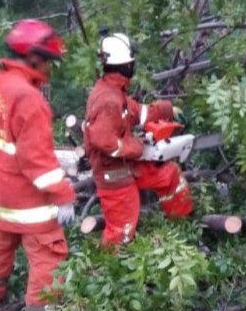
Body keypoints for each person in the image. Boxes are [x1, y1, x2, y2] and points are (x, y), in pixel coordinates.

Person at [0, 19, 76, 311]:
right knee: (49, 253)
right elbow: (36, 160)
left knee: (0, 239)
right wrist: (62, 194)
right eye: (49, 62)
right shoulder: (28, 98)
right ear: (35, 57)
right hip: (24, 200)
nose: (49, 70)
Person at [83, 32, 193, 247]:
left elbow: (138, 112)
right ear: (125, 64)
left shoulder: (115, 90)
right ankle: (110, 269)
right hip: (113, 175)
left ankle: (181, 225)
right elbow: (104, 141)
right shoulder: (108, 100)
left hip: (127, 165)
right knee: (121, 231)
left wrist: (167, 110)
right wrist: (137, 148)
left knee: (168, 175)